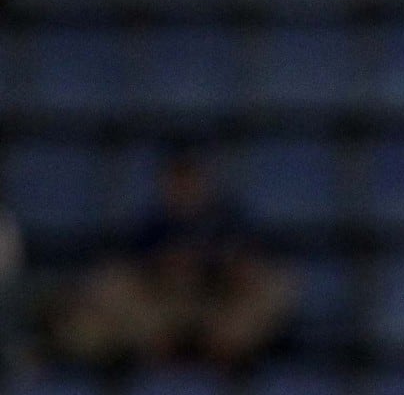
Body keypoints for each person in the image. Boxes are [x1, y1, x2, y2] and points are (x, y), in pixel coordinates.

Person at [46, 150, 293, 371]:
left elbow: (248, 266)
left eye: (191, 180)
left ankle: (223, 348)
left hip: (215, 306)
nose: (184, 188)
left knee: (278, 282)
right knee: (109, 283)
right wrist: (163, 267)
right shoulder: (151, 225)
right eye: (177, 180)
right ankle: (155, 350)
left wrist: (219, 267)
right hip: (161, 312)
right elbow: (128, 271)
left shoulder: (228, 220)